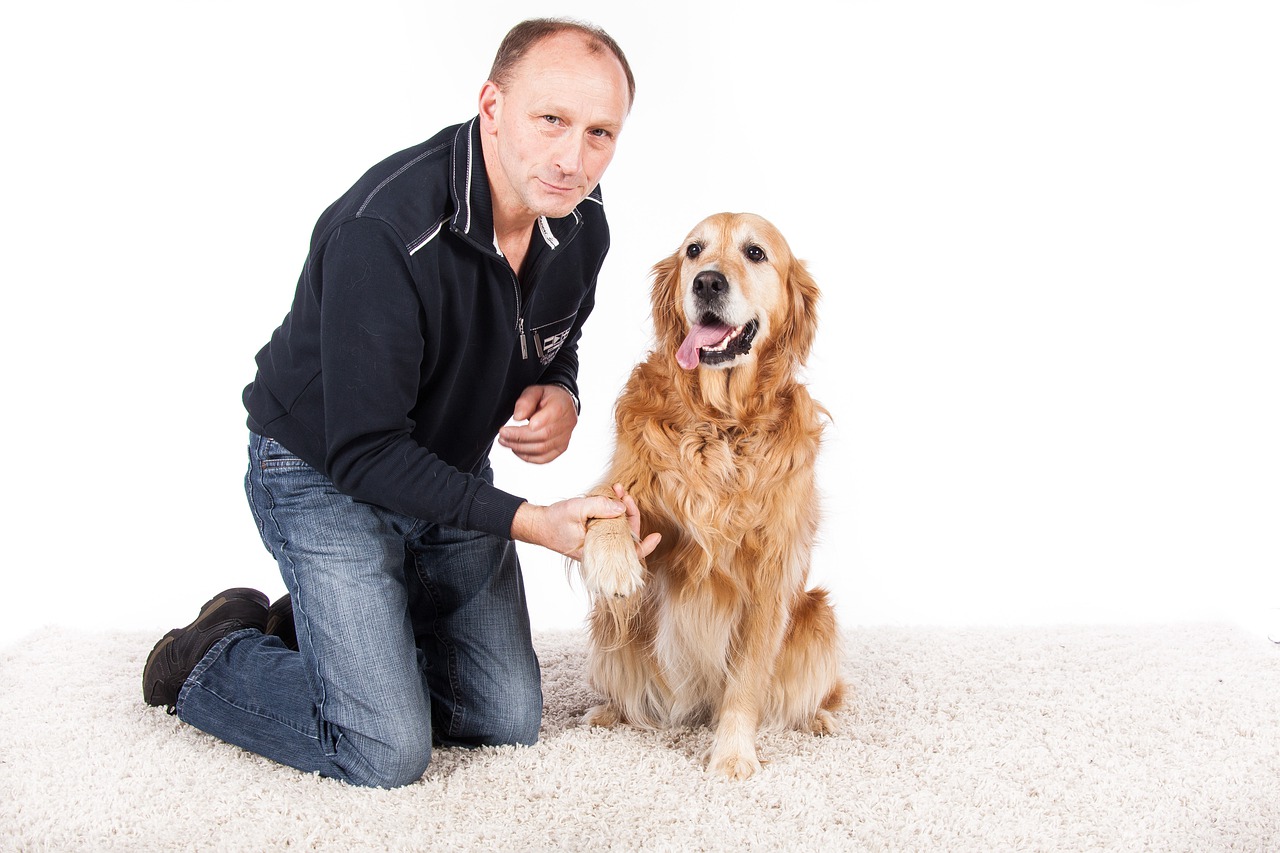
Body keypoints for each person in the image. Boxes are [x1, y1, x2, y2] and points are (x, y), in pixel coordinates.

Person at [142, 18, 659, 789]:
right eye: (550, 120)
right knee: (384, 752)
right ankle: (211, 656)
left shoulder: (579, 220)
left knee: (504, 721)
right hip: (322, 472)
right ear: (491, 104)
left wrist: (563, 388)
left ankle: (336, 634)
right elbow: (364, 452)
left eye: (599, 133)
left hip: (445, 464)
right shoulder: (383, 233)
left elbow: (561, 334)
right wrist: (533, 522)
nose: (572, 158)